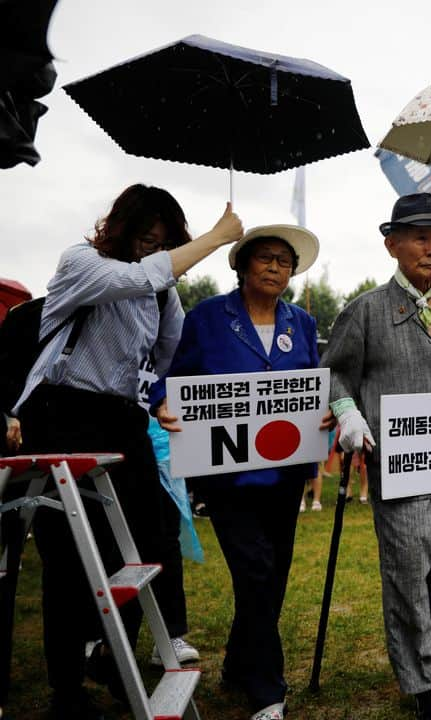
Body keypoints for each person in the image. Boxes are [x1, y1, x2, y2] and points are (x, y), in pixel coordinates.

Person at [11, 185, 242, 719]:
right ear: (119, 228)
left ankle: (115, 660)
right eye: (145, 238)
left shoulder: (163, 292)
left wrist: (159, 396)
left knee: (155, 539)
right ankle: (65, 690)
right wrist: (216, 238)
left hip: (123, 419)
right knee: (68, 559)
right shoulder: (82, 262)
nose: (152, 249)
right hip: (60, 413)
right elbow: (141, 276)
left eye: (163, 241)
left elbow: (171, 351)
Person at [322, 193, 431, 719]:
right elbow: (335, 371)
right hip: (400, 467)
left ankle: (409, 636)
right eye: (421, 238)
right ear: (392, 244)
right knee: (406, 566)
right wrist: (347, 412)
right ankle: (427, 681)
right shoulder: (367, 310)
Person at [151, 224, 325, 720]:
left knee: (271, 579)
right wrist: (162, 400)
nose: (275, 267)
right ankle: (268, 690)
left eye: (284, 261)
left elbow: (312, 387)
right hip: (225, 477)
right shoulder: (208, 317)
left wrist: (325, 413)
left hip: (285, 475)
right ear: (242, 265)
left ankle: (236, 663)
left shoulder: (303, 324)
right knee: (255, 571)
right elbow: (173, 378)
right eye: (265, 258)